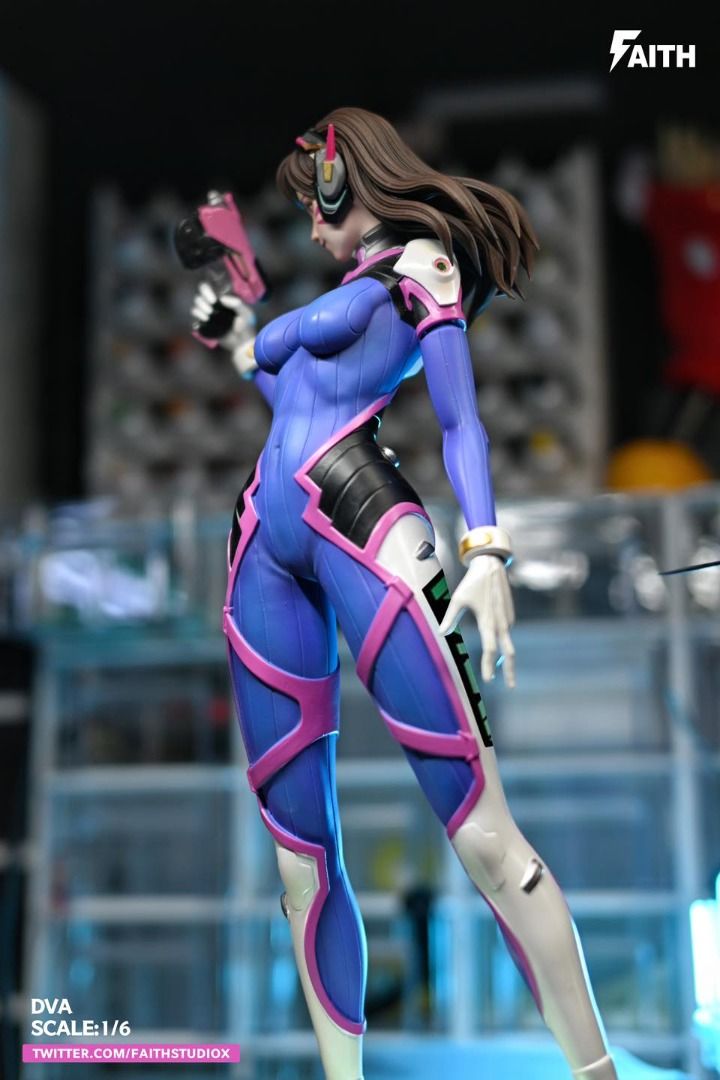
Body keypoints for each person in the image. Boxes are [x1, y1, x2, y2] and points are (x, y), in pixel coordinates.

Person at [191, 107, 617, 1080]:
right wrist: (241, 335)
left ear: (345, 178)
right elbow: (293, 403)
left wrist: (487, 548)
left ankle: (596, 1074)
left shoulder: (423, 269)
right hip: (264, 536)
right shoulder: (348, 290)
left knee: (487, 838)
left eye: (314, 203)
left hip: (362, 521)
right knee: (299, 864)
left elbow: (462, 422)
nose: (309, 225)